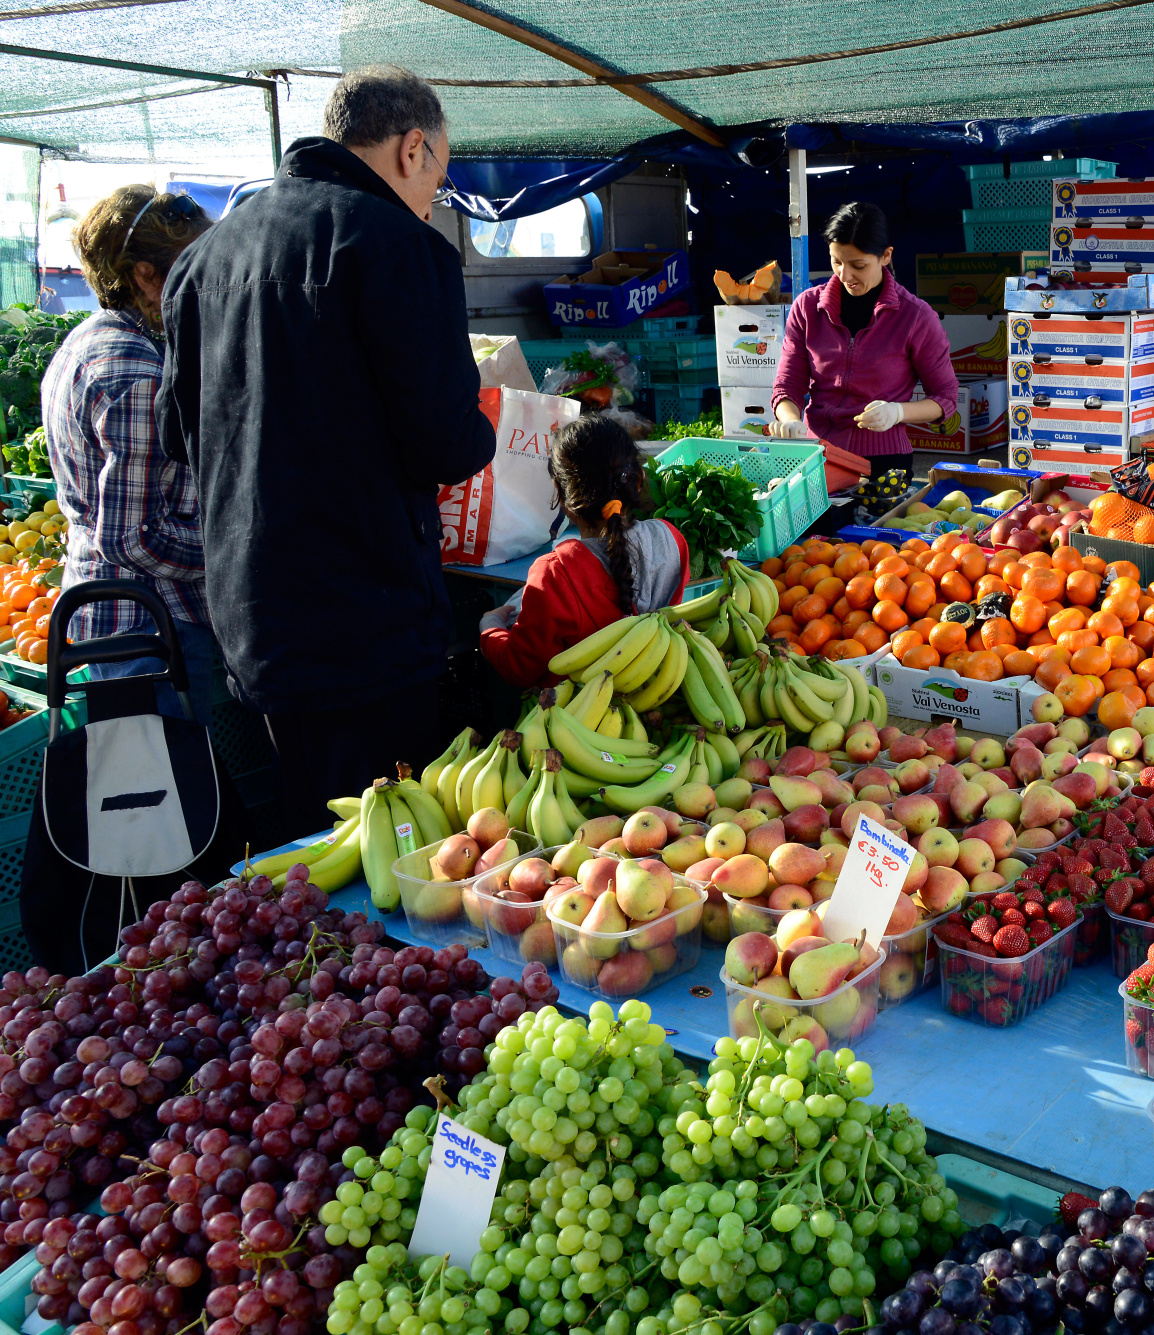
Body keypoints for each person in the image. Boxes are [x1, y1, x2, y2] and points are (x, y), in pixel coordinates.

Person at [158, 65, 495, 832]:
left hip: (253, 616)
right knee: (386, 847)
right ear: (414, 149)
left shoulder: (203, 258)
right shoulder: (399, 249)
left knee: (308, 831)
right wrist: (488, 428)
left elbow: (184, 437)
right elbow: (445, 442)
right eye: (439, 175)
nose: (434, 195)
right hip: (365, 614)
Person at [40, 185, 217, 731]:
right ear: (145, 275)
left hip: (120, 618)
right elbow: (133, 535)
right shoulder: (134, 373)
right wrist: (233, 551)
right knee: (169, 798)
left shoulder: (87, 339)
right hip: (152, 628)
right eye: (194, 268)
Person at [478, 416, 691, 687]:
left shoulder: (554, 575)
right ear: (638, 481)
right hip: (654, 700)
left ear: (562, 495)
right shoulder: (671, 541)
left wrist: (490, 627)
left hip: (575, 720)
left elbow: (519, 668)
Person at [768, 202, 956, 490]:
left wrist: (897, 412)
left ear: (886, 256)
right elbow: (786, 386)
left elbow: (945, 399)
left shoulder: (916, 316)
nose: (845, 275)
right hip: (815, 453)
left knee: (872, 536)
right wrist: (790, 421)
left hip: (883, 463)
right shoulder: (807, 308)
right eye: (836, 261)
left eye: (858, 265)